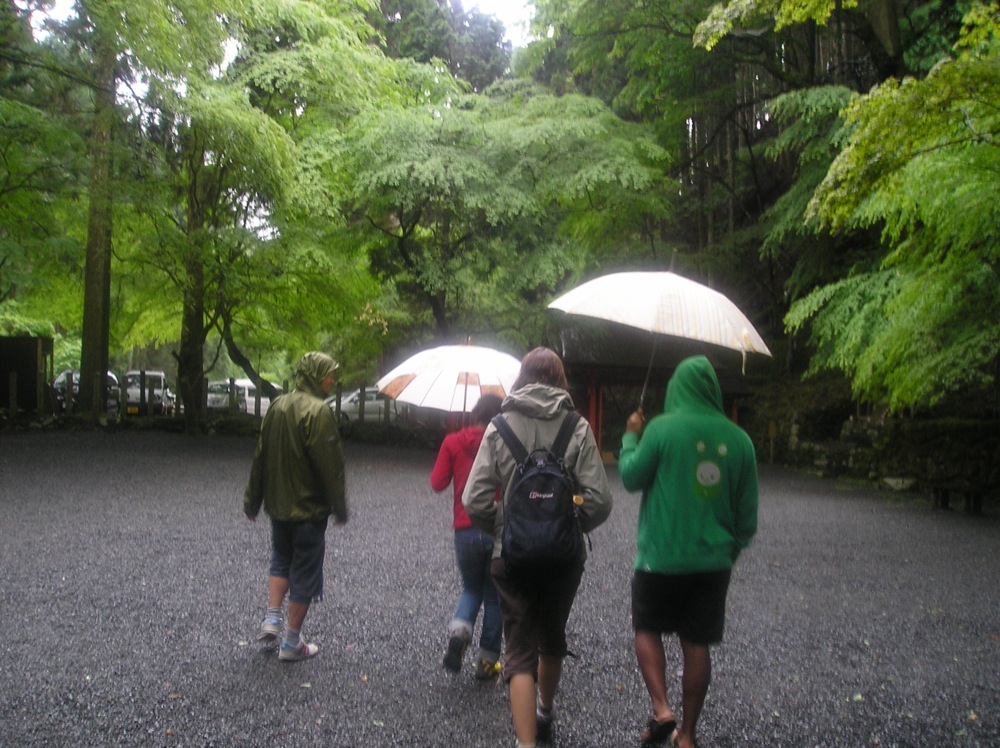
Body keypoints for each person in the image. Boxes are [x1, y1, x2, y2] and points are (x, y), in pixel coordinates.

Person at [463, 347, 612, 748]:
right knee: (551, 636)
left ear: (522, 378)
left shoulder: (499, 425)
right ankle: (545, 710)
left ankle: (526, 743)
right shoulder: (576, 426)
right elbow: (600, 500)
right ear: (560, 380)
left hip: (511, 556)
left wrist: (505, 527)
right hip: (564, 558)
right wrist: (569, 524)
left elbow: (473, 499)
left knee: (518, 650)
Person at [618, 355, 758, 748]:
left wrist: (630, 437)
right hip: (712, 563)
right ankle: (688, 735)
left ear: (676, 388)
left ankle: (662, 708)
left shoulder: (660, 429)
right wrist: (729, 552)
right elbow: (747, 518)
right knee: (697, 643)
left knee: (647, 627)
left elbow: (630, 476)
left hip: (659, 558)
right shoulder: (739, 440)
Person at [244, 352, 348, 662]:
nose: (332, 380)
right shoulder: (319, 412)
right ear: (317, 375)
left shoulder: (277, 406)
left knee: (281, 559)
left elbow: (260, 455)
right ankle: (291, 642)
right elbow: (330, 467)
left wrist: (253, 499)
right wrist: (339, 506)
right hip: (309, 510)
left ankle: (272, 618)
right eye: (329, 374)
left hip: (278, 506)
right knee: (305, 571)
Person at [430, 394, 505, 679]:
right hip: (496, 527)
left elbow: (437, 483)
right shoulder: (505, 442)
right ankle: (487, 662)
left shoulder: (452, 442)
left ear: (474, 414)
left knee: (471, 589)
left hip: (465, 528)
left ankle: (460, 633)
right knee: (494, 596)